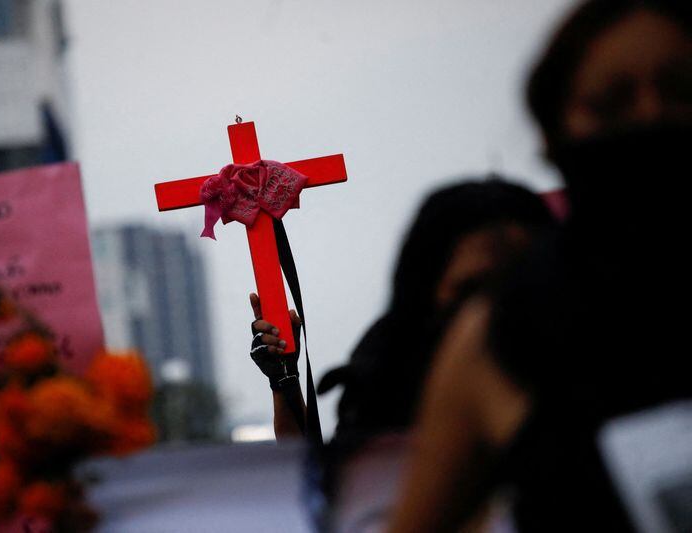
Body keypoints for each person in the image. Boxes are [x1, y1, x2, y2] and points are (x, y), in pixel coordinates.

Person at [389, 1, 692, 532]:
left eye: (681, 91)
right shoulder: (497, 338)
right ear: (554, 134)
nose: (651, 118)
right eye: (611, 103)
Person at [249, 178, 556, 530]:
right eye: (471, 290)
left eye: (520, 281)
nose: (491, 313)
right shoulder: (386, 376)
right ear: (426, 290)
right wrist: (284, 379)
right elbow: (314, 494)